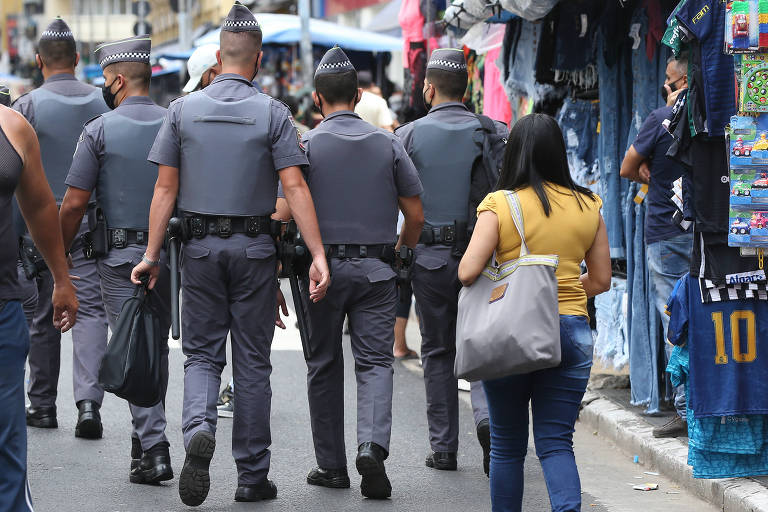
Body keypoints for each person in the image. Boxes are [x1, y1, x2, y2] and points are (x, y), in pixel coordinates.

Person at [131, 3, 330, 506]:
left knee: (200, 354)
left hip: (198, 249)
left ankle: (200, 425)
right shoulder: (273, 113)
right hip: (255, 252)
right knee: (253, 364)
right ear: (258, 60)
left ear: (218, 58)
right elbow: (295, 187)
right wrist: (318, 254)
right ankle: (251, 476)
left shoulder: (182, 111)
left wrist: (151, 256)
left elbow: (163, 191)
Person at [279, 46, 424, 499]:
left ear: (317, 98)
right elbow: (416, 215)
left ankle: (332, 467)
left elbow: (283, 210)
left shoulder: (303, 146)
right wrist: (401, 253)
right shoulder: (388, 143)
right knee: (377, 363)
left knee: (322, 364)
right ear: (358, 95)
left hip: (318, 274)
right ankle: (371, 447)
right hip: (377, 271)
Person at [458, 113, 611, 512]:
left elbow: (467, 271)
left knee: (508, 446)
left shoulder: (499, 205)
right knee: (557, 442)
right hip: (571, 330)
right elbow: (601, 280)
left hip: (513, 331)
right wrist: (564, 288)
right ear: (558, 153)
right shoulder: (589, 204)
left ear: (516, 154)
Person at [58, 35, 174, 485]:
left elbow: (72, 204)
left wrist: (60, 253)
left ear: (119, 80)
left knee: (132, 345)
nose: (104, 86)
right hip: (166, 254)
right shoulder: (173, 123)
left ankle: (156, 447)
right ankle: (143, 450)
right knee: (152, 344)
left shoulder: (99, 129)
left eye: (105, 79)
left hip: (119, 259)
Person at [395, 48, 507, 475]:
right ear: (466, 88)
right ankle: (486, 422)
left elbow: (399, 209)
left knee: (437, 351)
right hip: (483, 258)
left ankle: (443, 448)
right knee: (481, 347)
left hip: (430, 259)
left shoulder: (407, 136)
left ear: (429, 88)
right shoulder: (495, 131)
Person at [12, 16, 109, 437]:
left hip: (36, 230)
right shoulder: (105, 102)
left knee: (40, 316)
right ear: (75, 58)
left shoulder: (26, 108)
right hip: (89, 225)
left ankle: (43, 405)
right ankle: (88, 403)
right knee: (88, 313)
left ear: (38, 61)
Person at [0, 98, 78, 512]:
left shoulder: (12, 128)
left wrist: (62, 280)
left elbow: (40, 206)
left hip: (2, 308)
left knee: (6, 440)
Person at [620, 55, 692, 439]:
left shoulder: (660, 118)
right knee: (705, 314)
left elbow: (626, 168)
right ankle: (705, 401)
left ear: (679, 81)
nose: (664, 85)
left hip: (664, 232)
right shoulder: (709, 114)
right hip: (702, 231)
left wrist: (648, 170)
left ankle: (684, 407)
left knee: (674, 321)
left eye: (668, 79)